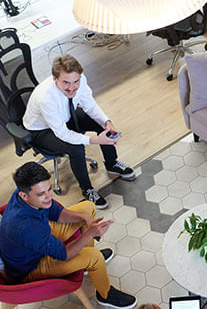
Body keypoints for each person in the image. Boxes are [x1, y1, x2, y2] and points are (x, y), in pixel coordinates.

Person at [0, 162, 136, 309]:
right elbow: (64, 254)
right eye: (41, 194)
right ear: (24, 195)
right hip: (30, 268)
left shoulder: (23, 193)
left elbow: (56, 213)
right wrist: (90, 233)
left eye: (49, 189)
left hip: (36, 241)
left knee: (88, 207)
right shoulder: (27, 227)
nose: (48, 196)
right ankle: (105, 295)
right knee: (94, 257)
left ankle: (85, 266)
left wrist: (85, 218)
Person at [23, 54, 135, 210]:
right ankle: (87, 190)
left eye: (76, 81)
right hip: (41, 130)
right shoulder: (46, 98)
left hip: (66, 115)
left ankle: (112, 164)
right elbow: (62, 133)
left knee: (102, 126)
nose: (72, 88)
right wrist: (94, 140)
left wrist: (107, 122)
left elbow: (90, 106)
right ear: (55, 79)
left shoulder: (80, 81)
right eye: (66, 83)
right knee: (76, 148)